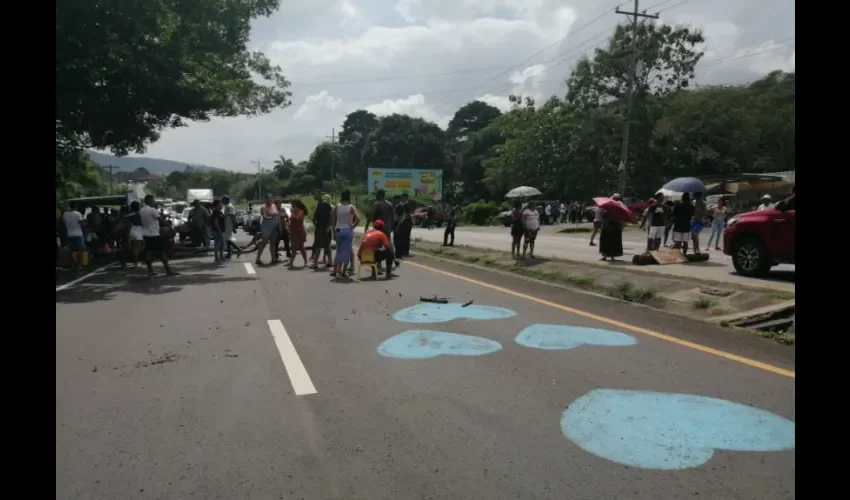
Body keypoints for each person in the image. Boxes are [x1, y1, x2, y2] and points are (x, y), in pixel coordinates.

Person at [140, 195, 177, 276]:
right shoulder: (152, 210)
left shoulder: (141, 210)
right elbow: (161, 220)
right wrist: (170, 226)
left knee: (148, 252)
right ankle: (168, 271)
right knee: (162, 252)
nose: (154, 202)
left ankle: (150, 271)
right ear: (149, 201)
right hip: (154, 234)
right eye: (153, 201)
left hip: (146, 235)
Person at [331, 190, 360, 278]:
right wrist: (352, 226)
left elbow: (333, 220)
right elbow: (358, 219)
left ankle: (335, 270)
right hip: (347, 231)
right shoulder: (351, 207)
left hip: (338, 230)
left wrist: (334, 231)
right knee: (346, 251)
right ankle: (344, 271)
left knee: (339, 251)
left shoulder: (337, 206)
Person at [368, 189, 396, 272]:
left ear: (378, 195)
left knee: (378, 246)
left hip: (379, 228)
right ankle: (390, 262)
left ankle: (378, 263)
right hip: (387, 228)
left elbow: (371, 215)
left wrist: (368, 225)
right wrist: (392, 227)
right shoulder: (390, 204)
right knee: (388, 245)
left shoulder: (376, 204)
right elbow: (392, 217)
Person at [255, 194, 280, 266]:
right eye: (268, 199)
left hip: (274, 227)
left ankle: (273, 258)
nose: (269, 200)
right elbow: (264, 216)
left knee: (273, 243)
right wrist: (270, 218)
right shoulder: (264, 207)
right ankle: (258, 258)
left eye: (270, 199)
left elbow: (277, 215)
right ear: (265, 200)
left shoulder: (274, 206)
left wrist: (278, 224)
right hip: (266, 226)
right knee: (264, 242)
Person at [311, 193, 333, 268]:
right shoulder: (319, 204)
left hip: (324, 226)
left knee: (326, 245)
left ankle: (329, 261)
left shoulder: (325, 204)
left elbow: (331, 215)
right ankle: (316, 262)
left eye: (316, 194)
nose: (315, 196)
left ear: (320, 195)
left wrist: (329, 226)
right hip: (319, 226)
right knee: (318, 244)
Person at [61, 204, 86, 269]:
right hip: (78, 234)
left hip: (69, 234)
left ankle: (72, 264)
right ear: (76, 206)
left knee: (72, 250)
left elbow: (63, 223)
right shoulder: (78, 213)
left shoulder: (65, 214)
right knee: (81, 249)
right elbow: (82, 224)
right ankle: (79, 265)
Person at [288, 199, 309, 268]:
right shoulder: (293, 211)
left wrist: (292, 213)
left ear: (296, 205)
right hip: (293, 232)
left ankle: (306, 261)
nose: (292, 206)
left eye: (293, 205)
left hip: (299, 231)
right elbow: (291, 220)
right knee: (293, 247)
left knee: (301, 247)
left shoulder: (301, 211)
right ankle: (291, 263)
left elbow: (297, 218)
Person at [221, 195, 241, 259]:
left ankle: (238, 249)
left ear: (227, 200)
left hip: (229, 224)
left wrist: (234, 227)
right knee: (227, 240)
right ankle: (229, 254)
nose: (222, 201)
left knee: (227, 239)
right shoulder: (227, 206)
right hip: (227, 224)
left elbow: (233, 217)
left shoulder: (229, 206)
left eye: (223, 200)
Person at [125, 201, 145, 268]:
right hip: (138, 230)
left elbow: (125, 222)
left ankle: (124, 261)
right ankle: (135, 262)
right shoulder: (140, 214)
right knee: (137, 248)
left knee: (130, 247)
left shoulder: (129, 214)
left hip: (131, 230)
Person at [394, 193, 413, 258]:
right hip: (403, 223)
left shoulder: (407, 205)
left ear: (406, 198)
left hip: (407, 223)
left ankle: (405, 251)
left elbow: (409, 215)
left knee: (406, 237)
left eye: (403, 198)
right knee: (402, 237)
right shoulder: (402, 205)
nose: (401, 199)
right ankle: (402, 251)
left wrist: (402, 219)